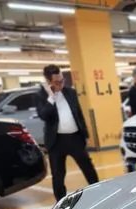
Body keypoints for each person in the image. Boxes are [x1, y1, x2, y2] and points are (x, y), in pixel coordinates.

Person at [35, 64, 99, 201]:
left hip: (75, 138)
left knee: (88, 167)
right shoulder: (41, 96)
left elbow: (79, 114)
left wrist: (86, 135)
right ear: (48, 81)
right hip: (56, 141)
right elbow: (43, 115)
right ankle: (61, 202)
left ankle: (98, 192)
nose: (61, 84)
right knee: (58, 175)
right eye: (57, 82)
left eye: (62, 80)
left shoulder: (70, 92)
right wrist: (51, 97)